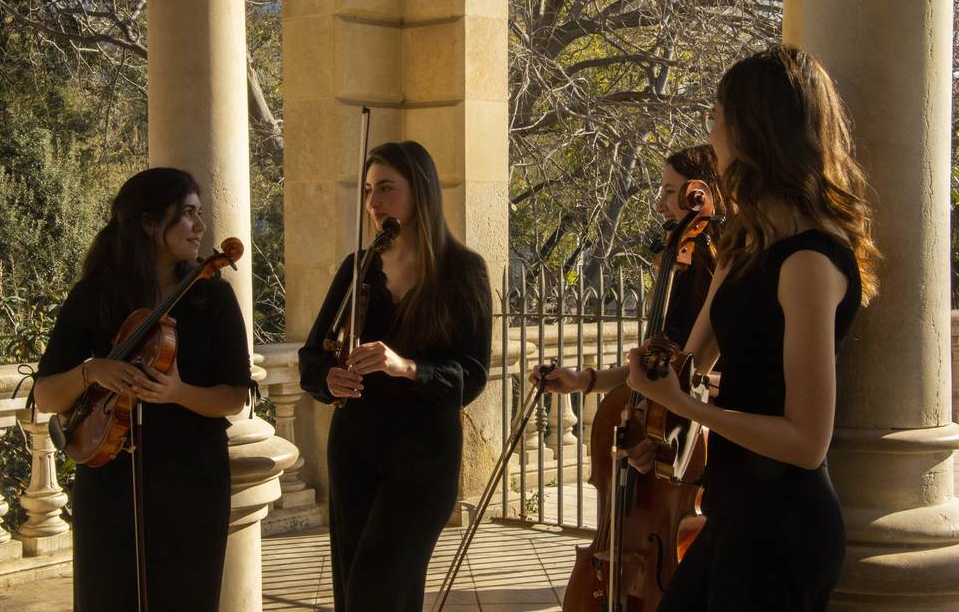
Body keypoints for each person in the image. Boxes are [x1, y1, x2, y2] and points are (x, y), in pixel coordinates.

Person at [625, 45, 879, 611]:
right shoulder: (742, 245)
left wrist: (688, 409)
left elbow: (807, 443)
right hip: (733, 515)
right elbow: (689, 370)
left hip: (784, 532)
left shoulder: (810, 262)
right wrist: (659, 429)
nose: (710, 134)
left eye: (716, 119)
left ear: (752, 129)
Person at [33, 167, 251, 612]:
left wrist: (178, 392)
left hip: (192, 479)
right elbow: (46, 396)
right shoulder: (94, 296)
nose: (200, 226)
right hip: (109, 477)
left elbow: (236, 396)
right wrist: (91, 371)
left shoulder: (211, 296)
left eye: (200, 213)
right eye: (187, 214)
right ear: (151, 223)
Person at [298, 141, 493, 611]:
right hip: (355, 449)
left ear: (420, 192)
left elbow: (473, 375)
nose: (373, 202)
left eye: (386, 188)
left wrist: (405, 367)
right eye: (368, 190)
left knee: (375, 587)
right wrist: (329, 380)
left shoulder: (463, 271)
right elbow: (310, 358)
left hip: (424, 458)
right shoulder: (358, 268)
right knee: (357, 592)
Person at [529, 144, 722, 424]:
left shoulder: (724, 273)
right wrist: (579, 380)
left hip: (708, 428)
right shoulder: (682, 271)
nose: (659, 206)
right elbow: (651, 371)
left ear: (701, 195)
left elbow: (685, 375)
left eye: (669, 192)